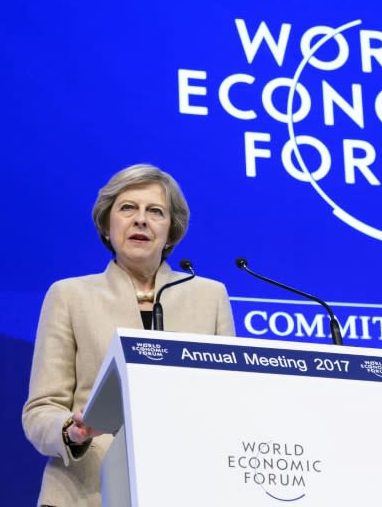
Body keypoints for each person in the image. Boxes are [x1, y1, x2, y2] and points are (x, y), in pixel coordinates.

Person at [22, 164, 235, 506]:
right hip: (88, 492)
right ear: (107, 226)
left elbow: (229, 400)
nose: (141, 220)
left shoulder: (210, 297)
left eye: (155, 211)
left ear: (171, 231)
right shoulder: (69, 295)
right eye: (127, 208)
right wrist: (71, 431)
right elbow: (41, 410)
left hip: (184, 489)